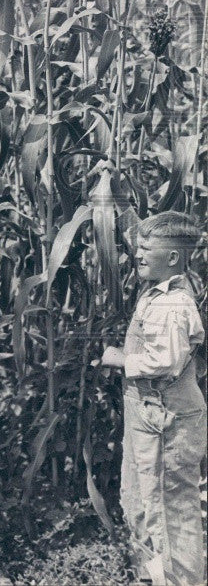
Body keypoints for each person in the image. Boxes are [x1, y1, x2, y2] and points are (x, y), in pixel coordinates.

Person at [101, 211, 206, 586]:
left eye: (148, 248)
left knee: (167, 510)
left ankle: (181, 581)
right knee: (144, 503)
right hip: (151, 415)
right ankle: (153, 578)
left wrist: (117, 358)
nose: (138, 255)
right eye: (138, 247)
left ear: (174, 257)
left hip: (164, 420)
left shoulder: (173, 304)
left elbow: (166, 363)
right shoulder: (157, 294)